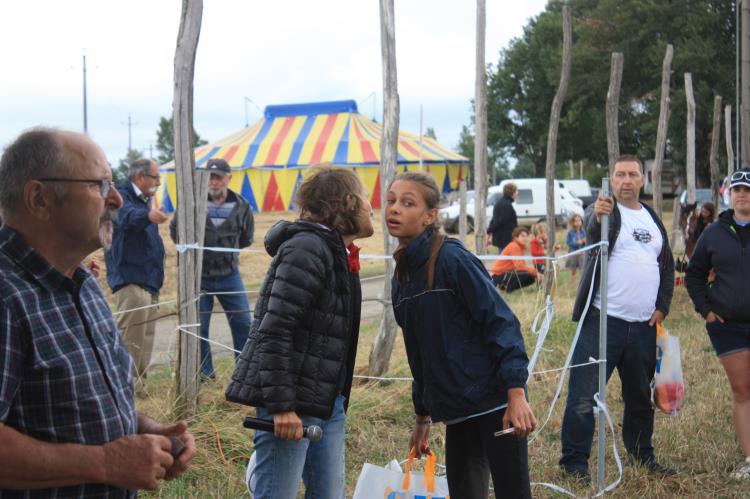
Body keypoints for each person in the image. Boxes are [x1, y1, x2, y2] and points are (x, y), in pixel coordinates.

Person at [0, 127, 195, 497]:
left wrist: (139, 429)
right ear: (39, 198)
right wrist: (105, 462)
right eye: (100, 185)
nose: (118, 200)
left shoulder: (82, 282)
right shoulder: (6, 297)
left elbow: (68, 406)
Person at [225, 166, 374, 498]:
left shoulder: (333, 251)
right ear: (349, 202)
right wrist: (281, 407)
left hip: (324, 401)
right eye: (365, 197)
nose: (371, 207)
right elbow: (274, 330)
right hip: (292, 403)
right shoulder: (307, 249)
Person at [386, 172, 536, 498]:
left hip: (495, 405)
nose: (394, 209)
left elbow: (501, 322)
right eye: (391, 201)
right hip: (457, 413)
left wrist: (515, 392)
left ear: (430, 216)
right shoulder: (402, 278)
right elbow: (419, 354)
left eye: (407, 203)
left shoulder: (453, 259)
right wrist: (422, 416)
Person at [560, 155, 675, 481]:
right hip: (602, 321)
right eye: (620, 174)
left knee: (640, 397)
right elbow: (591, 227)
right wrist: (596, 214)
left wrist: (662, 306)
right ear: (612, 179)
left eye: (633, 174)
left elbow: (666, 266)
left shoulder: (652, 219)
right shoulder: (607, 212)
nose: (626, 180)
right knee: (583, 395)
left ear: (643, 179)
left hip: (643, 326)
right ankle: (574, 466)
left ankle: (643, 456)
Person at [685, 168, 750, 480]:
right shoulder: (713, 232)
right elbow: (695, 273)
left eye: (748, 190)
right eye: (737, 190)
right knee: (742, 390)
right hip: (728, 326)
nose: (742, 195)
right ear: (729, 194)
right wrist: (706, 309)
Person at [170, 158, 254, 380]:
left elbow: (246, 238)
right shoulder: (191, 203)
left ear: (229, 178)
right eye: (210, 177)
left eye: (218, 177)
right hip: (199, 277)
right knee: (198, 327)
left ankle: (244, 373)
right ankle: (205, 375)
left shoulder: (242, 205)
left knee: (244, 323)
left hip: (230, 275)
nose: (214, 181)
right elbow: (175, 231)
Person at [105, 158, 168, 396]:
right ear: (139, 177)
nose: (158, 183)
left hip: (149, 281)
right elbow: (126, 217)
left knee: (146, 336)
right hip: (130, 279)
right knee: (130, 337)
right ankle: (124, 388)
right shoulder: (120, 195)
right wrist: (148, 217)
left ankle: (139, 387)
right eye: (155, 178)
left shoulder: (145, 201)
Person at [490, 226, 544, 292]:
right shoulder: (514, 246)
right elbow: (520, 266)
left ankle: (505, 289)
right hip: (498, 276)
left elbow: (520, 267)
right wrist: (535, 272)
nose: (525, 238)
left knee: (530, 276)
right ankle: (505, 289)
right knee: (527, 275)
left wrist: (533, 273)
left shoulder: (520, 247)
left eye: (526, 236)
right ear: (516, 237)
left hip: (505, 274)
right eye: (522, 236)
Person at [486, 182, 518, 252]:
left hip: (502, 238)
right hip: (504, 239)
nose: (517, 193)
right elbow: (501, 221)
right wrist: (490, 230)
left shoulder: (501, 202)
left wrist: (490, 229)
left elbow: (495, 219)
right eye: (516, 191)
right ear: (511, 192)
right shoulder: (506, 204)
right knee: (505, 259)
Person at [565, 214, 586, 279]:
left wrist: (584, 241)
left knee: (582, 267)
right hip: (574, 253)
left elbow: (586, 240)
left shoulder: (583, 232)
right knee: (573, 267)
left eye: (579, 220)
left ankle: (581, 278)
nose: (578, 222)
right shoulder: (570, 233)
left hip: (582, 253)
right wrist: (576, 243)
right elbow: (568, 242)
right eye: (576, 221)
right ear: (572, 222)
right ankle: (572, 279)